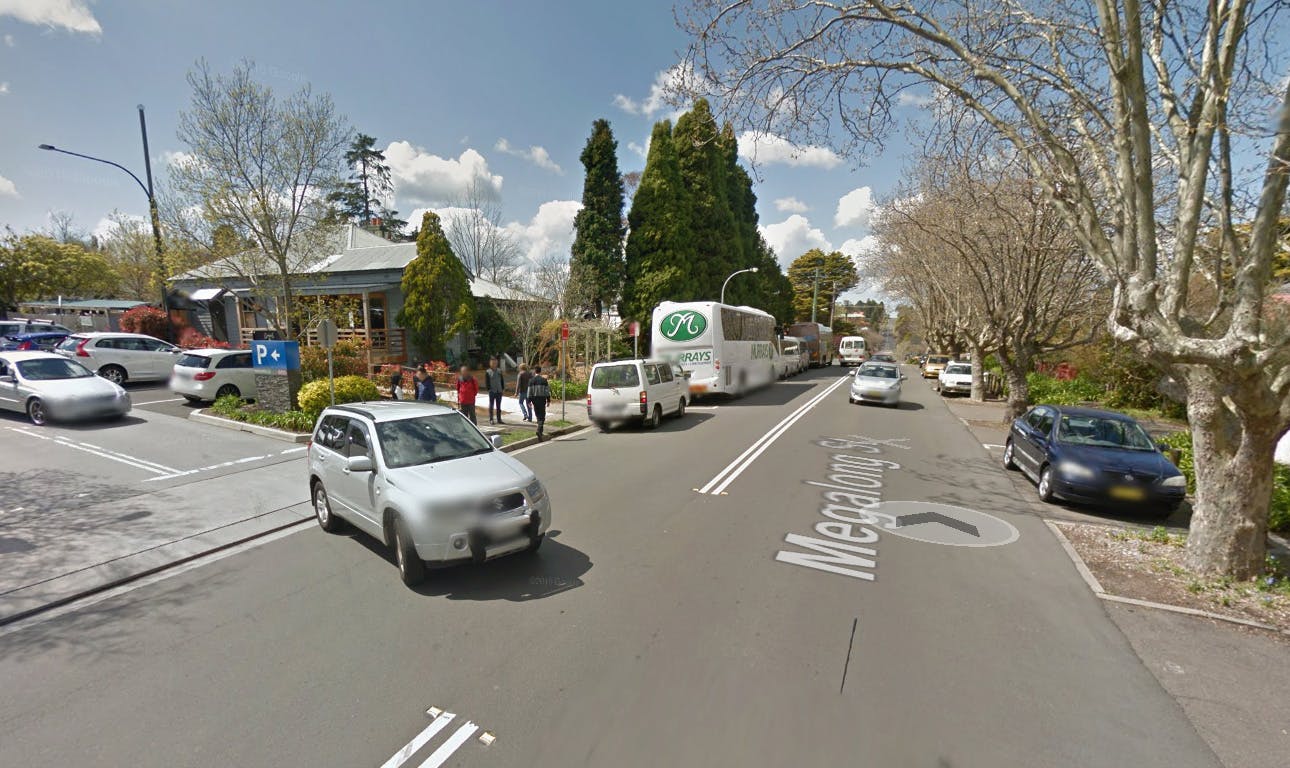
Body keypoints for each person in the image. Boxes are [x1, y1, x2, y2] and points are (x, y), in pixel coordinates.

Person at [528, 365, 551, 441]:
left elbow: (529, 392)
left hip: (535, 400)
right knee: (542, 416)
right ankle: (539, 430)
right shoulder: (544, 381)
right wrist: (548, 400)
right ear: (540, 371)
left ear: (535, 371)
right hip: (542, 400)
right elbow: (547, 391)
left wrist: (529, 401)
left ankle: (540, 432)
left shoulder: (531, 381)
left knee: (537, 414)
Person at [485, 357, 505, 425]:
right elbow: (487, 381)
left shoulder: (499, 371)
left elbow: (502, 380)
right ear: (490, 364)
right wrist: (489, 389)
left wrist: (503, 388)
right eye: (493, 363)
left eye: (496, 363)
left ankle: (499, 419)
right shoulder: (488, 371)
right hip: (492, 391)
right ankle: (491, 419)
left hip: (499, 390)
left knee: (498, 406)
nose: (494, 364)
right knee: (491, 406)